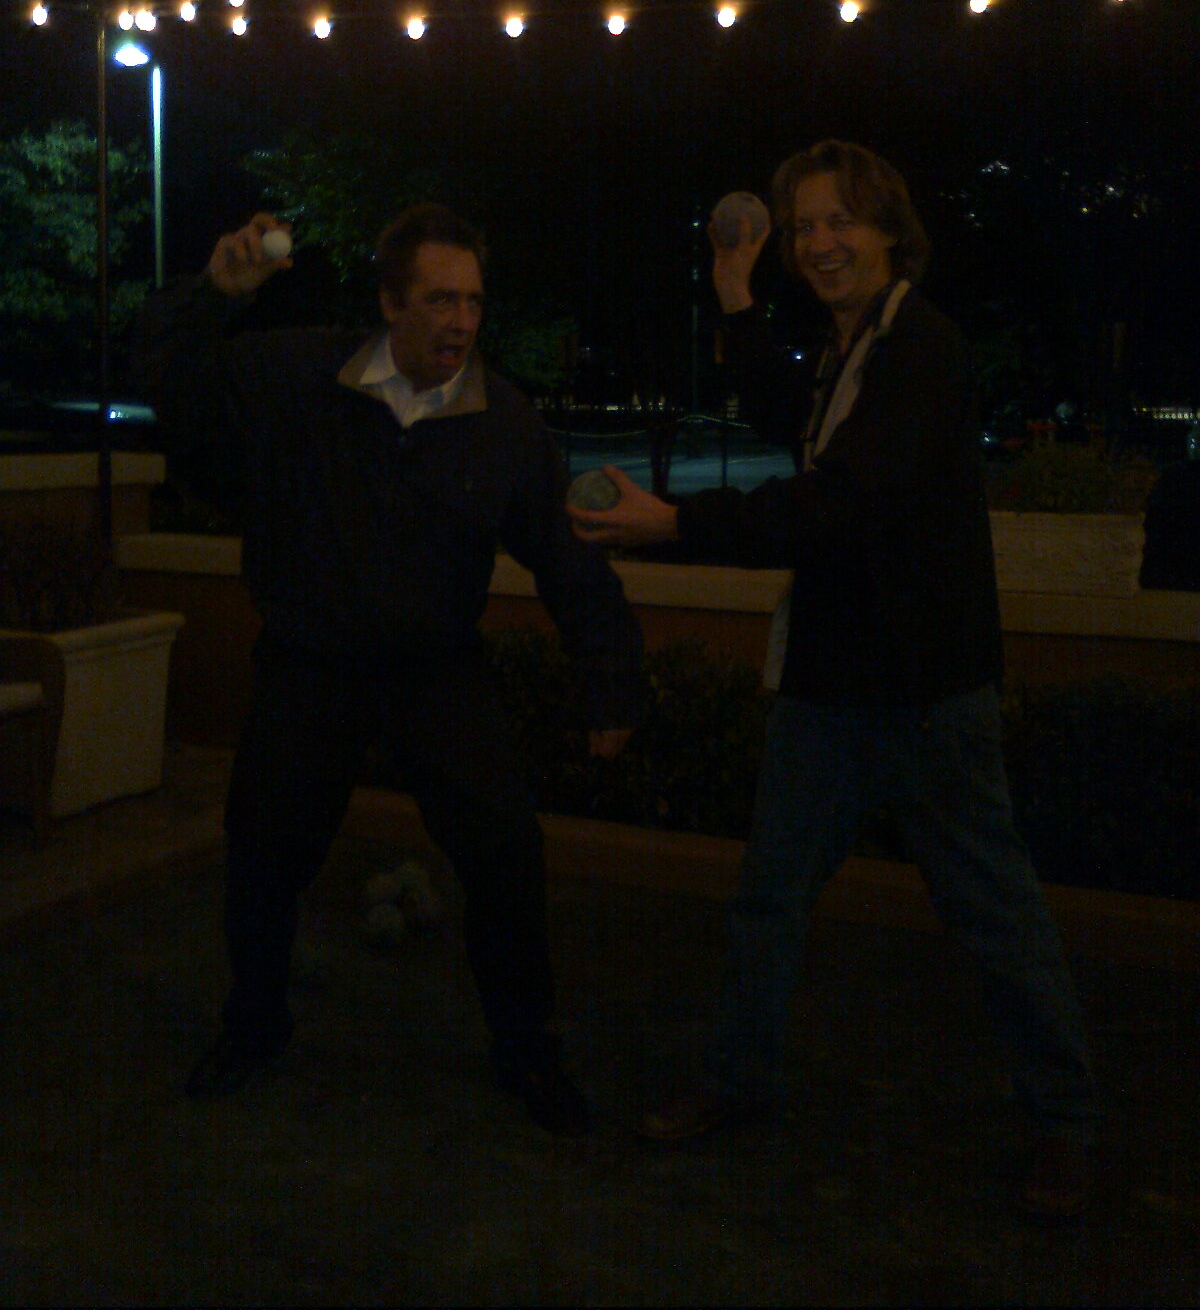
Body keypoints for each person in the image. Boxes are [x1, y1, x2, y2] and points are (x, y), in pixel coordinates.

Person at [569, 140, 1098, 1215]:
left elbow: (839, 502)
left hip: (925, 695)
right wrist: (734, 291)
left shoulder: (922, 349)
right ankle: (738, 1079)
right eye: (804, 225)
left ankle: (1065, 1122)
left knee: (994, 913)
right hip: (829, 685)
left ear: (891, 229)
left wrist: (675, 524)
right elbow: (788, 415)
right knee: (769, 899)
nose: (818, 243)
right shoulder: (852, 351)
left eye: (839, 220)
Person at [139, 204, 643, 1136]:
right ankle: (253, 1028)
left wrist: (609, 678)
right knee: (261, 854)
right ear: (389, 302)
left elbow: (567, 559)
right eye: (440, 299)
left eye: (474, 302)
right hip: (310, 664)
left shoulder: (503, 422)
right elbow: (175, 387)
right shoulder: (300, 374)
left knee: (505, 853)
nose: (462, 322)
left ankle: (527, 1052)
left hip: (433, 671)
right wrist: (212, 297)